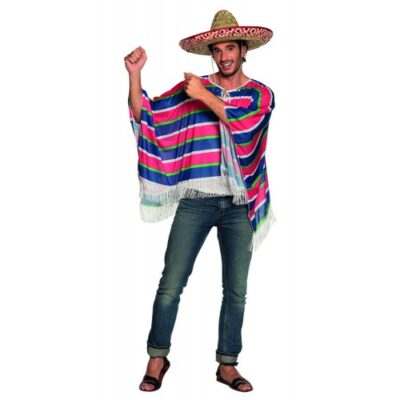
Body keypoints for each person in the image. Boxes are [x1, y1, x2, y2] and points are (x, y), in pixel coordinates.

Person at [124, 10, 275, 392]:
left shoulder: (259, 94)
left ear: (244, 50)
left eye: (230, 48)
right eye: (217, 50)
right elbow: (147, 117)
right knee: (171, 283)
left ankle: (228, 364)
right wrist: (135, 75)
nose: (223, 56)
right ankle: (157, 357)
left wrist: (204, 95)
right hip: (196, 200)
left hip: (241, 203)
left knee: (236, 291)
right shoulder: (192, 88)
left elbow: (244, 125)